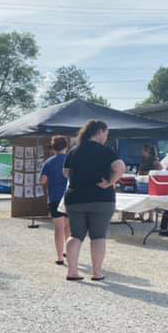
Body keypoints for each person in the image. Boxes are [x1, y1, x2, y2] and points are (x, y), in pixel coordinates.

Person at [63, 120, 125, 281]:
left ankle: (72, 271)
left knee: (75, 235)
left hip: (75, 198)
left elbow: (65, 172)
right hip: (101, 198)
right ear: (99, 131)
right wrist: (110, 182)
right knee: (98, 236)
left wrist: (80, 179)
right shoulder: (106, 151)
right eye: (106, 133)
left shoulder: (74, 150)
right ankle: (97, 273)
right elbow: (120, 167)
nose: (107, 136)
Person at [39, 135, 70, 265]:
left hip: (55, 197)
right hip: (71, 197)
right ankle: (69, 252)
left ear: (53, 148)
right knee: (69, 227)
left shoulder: (49, 162)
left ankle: (59, 257)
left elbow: (43, 180)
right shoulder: (71, 160)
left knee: (59, 227)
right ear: (66, 146)